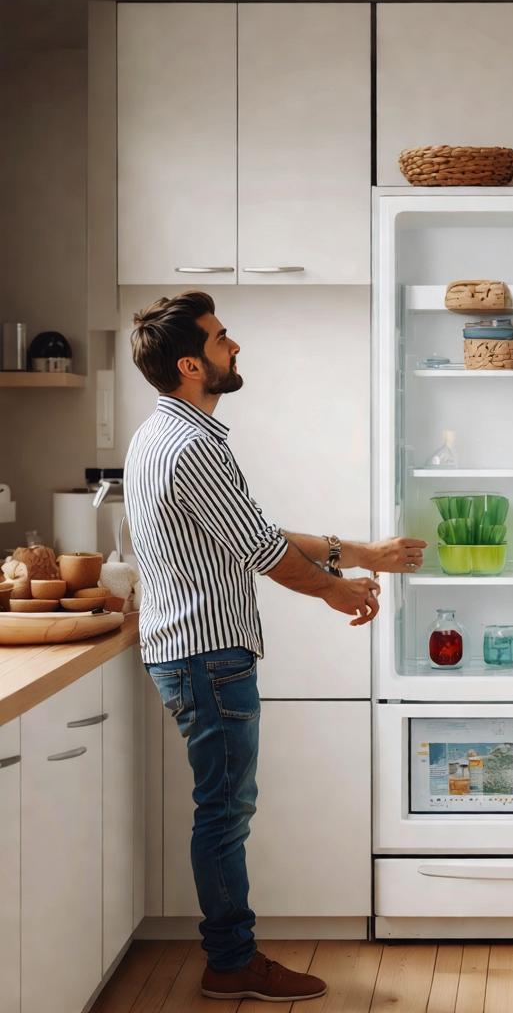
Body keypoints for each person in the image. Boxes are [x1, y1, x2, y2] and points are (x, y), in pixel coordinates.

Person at [124, 291, 426, 1002]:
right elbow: (262, 548)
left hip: (192, 652)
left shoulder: (160, 434)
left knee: (224, 808)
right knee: (224, 813)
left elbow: (249, 528)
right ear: (193, 363)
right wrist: (336, 588)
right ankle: (231, 961)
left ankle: (231, 954)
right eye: (223, 338)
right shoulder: (193, 445)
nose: (236, 347)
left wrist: (362, 553)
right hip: (207, 657)